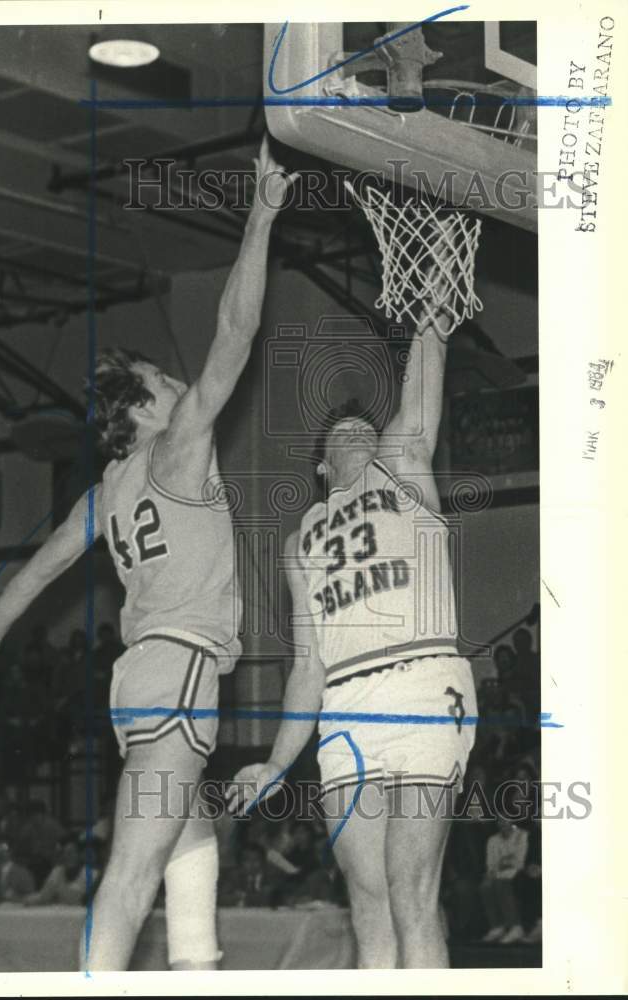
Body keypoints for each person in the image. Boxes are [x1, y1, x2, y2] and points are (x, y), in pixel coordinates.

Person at [0, 136, 298, 971]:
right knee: (133, 875)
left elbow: (41, 567)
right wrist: (262, 220)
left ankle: (198, 972)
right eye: (162, 383)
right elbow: (235, 336)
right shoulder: (171, 454)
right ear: (140, 411)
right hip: (174, 671)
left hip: (147, 679)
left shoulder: (103, 494)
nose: (179, 386)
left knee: (189, 846)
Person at [228, 260, 477, 967]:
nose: (352, 429)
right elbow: (306, 663)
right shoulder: (302, 534)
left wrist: (434, 299)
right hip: (345, 703)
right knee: (366, 900)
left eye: (360, 425)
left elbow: (422, 388)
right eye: (338, 432)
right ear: (319, 466)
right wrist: (278, 763)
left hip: (424, 683)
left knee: (411, 892)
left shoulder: (402, 464)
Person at [479, 817, 529, 944]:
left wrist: (502, 863)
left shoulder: (523, 836)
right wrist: (502, 865)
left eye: (506, 820)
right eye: (500, 821)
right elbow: (491, 864)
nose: (503, 824)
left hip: (519, 874)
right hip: (498, 874)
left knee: (501, 884)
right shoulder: (493, 840)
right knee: (485, 886)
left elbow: (520, 862)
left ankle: (516, 927)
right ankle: (497, 926)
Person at [24, 837, 91, 906]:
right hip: (63, 915)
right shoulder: (56, 872)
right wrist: (25, 899)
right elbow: (43, 897)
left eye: (70, 853)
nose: (66, 857)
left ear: (80, 855)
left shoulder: (92, 875)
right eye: (63, 853)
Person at [0, 840, 35, 907]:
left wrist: (16, 898)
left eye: (3, 849)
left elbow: (31, 898)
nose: (0, 853)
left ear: (10, 852)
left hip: (16, 912)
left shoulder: (23, 874)